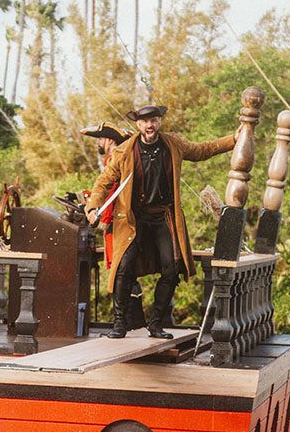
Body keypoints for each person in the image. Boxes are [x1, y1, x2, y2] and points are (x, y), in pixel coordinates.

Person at [85, 105, 240, 339]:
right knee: (123, 268)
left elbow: (202, 150)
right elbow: (102, 183)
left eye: (154, 120)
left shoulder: (173, 144)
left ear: (159, 122)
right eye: (145, 121)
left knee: (171, 269)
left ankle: (156, 324)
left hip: (163, 217)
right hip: (133, 219)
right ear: (139, 124)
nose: (150, 125)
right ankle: (119, 324)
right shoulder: (124, 151)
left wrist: (233, 140)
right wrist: (92, 208)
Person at [75, 122, 145, 333]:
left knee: (121, 272)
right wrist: (86, 197)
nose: (98, 142)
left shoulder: (113, 159)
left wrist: (100, 218)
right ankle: (134, 323)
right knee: (126, 272)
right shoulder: (124, 159)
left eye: (100, 139)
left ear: (110, 141)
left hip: (118, 224)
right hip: (126, 222)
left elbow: (113, 194)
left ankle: (129, 323)